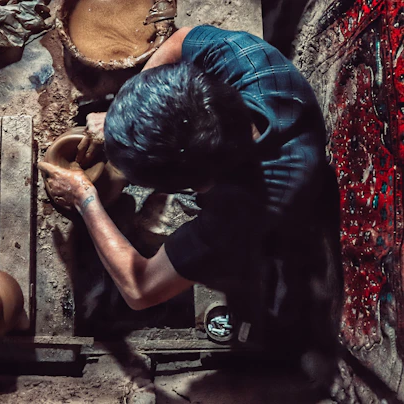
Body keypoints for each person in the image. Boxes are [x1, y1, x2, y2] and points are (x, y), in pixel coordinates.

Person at [38, 25, 342, 383]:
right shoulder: (241, 57)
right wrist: (128, 109)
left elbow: (140, 291)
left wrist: (85, 198)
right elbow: (181, 39)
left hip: (283, 210)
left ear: (194, 187)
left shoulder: (244, 211)